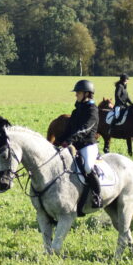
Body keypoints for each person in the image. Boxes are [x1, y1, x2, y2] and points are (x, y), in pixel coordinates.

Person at [56, 79, 103, 211]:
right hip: (75, 145)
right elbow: (69, 129)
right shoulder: (77, 111)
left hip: (87, 145)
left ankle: (97, 195)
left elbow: (85, 129)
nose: (76, 95)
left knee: (87, 167)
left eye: (78, 92)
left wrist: (70, 140)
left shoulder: (92, 110)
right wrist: (58, 141)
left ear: (87, 94)